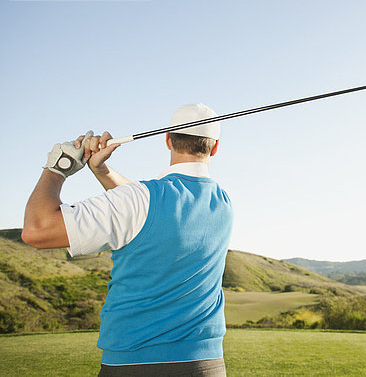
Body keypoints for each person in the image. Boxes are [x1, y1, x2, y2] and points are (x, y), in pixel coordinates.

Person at [22, 103, 233, 377]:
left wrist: (58, 167)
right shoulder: (223, 203)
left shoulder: (140, 200)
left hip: (134, 363)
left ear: (167, 139)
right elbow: (147, 209)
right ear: (215, 148)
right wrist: (103, 171)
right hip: (208, 365)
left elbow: (37, 230)